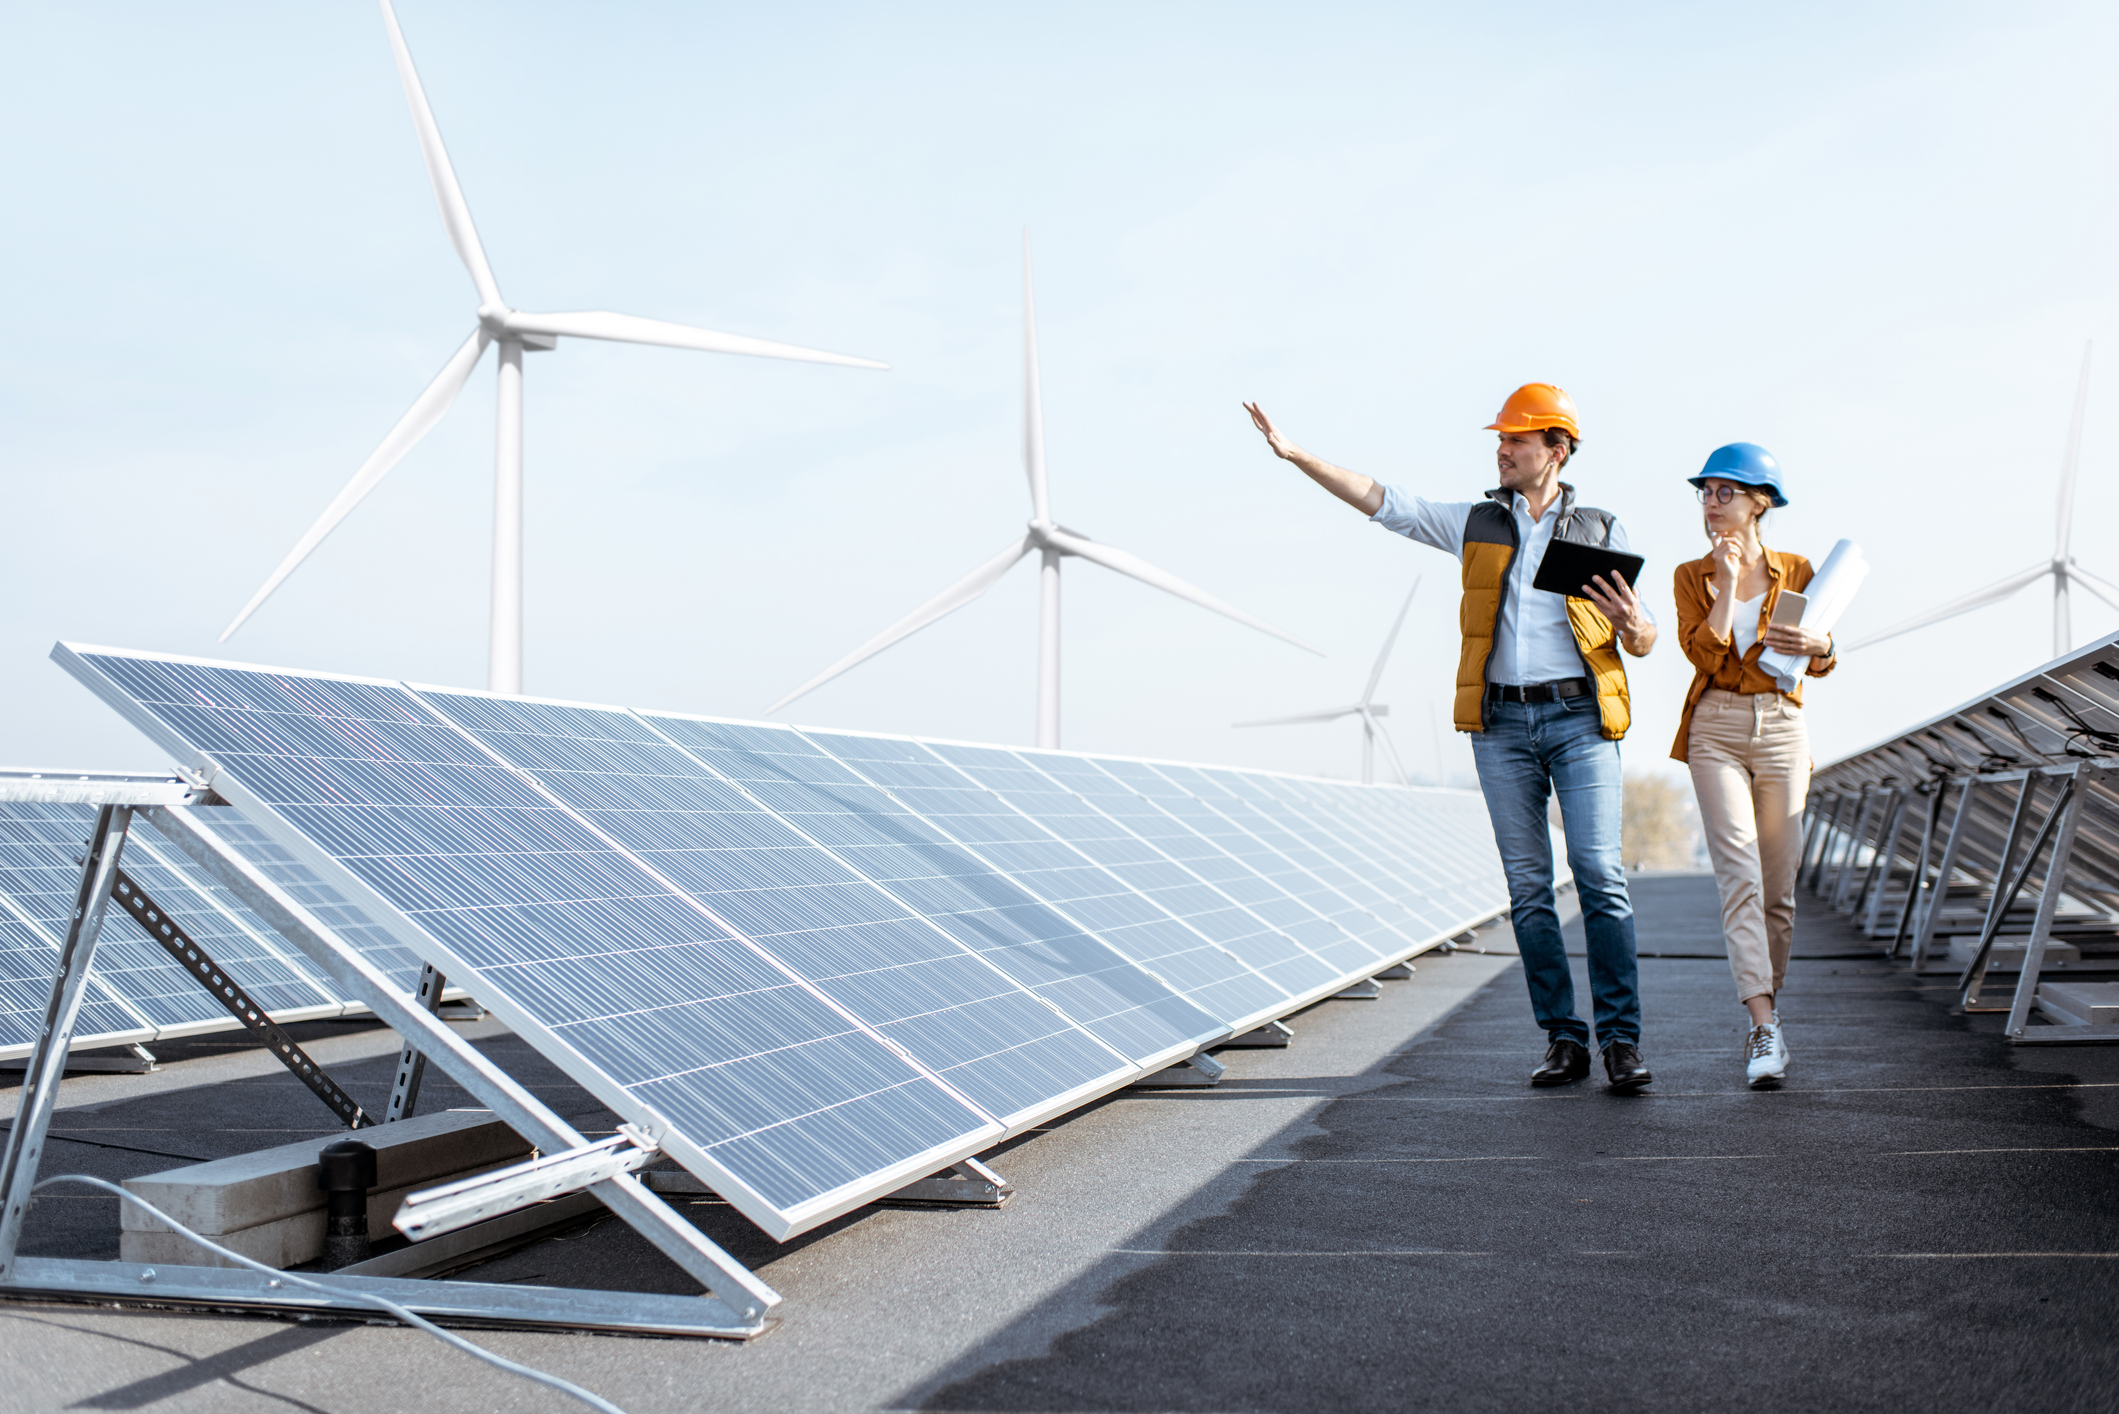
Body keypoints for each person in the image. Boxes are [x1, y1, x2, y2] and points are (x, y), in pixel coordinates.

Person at [1246, 385, 1659, 1091]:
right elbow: (1386, 502)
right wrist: (1294, 456)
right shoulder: (1475, 524)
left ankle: (1620, 1040)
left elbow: (1644, 635)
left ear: (1556, 450)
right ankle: (1564, 1038)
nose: (1501, 450)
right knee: (1529, 887)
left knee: (1599, 876)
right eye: (1499, 441)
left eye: (1516, 441)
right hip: (1499, 725)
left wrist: (1634, 627)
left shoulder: (1598, 527)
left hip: (1579, 722)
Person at [1670, 443, 1837, 1088]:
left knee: (1778, 891)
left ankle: (1769, 1012)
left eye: (1725, 493)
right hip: (1714, 726)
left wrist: (1823, 645)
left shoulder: (1798, 568)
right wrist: (1730, 584)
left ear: (1759, 502)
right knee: (1737, 872)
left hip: (1784, 728)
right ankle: (1762, 1026)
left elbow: (1820, 659)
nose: (1711, 504)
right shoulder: (1692, 575)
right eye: (1705, 493)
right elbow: (1704, 657)